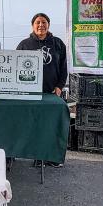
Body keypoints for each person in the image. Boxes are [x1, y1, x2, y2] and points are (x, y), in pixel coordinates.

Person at [17, 12, 68, 168]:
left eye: (44, 22)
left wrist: (59, 86)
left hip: (51, 94)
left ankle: (50, 157)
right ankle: (36, 155)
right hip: (31, 94)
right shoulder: (24, 45)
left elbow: (63, 68)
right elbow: (16, 68)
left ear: (48, 25)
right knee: (33, 125)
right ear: (33, 25)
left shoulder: (58, 43)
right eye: (38, 22)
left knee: (50, 126)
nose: (41, 25)